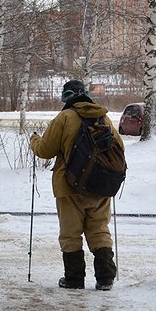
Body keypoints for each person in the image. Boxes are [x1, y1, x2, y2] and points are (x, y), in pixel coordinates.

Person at [30, 79, 122, 291]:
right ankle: (106, 277)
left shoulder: (64, 117)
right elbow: (120, 148)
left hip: (69, 187)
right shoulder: (103, 117)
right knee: (99, 230)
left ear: (67, 97)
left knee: (70, 233)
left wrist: (34, 140)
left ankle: (74, 278)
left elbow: (45, 150)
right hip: (100, 186)